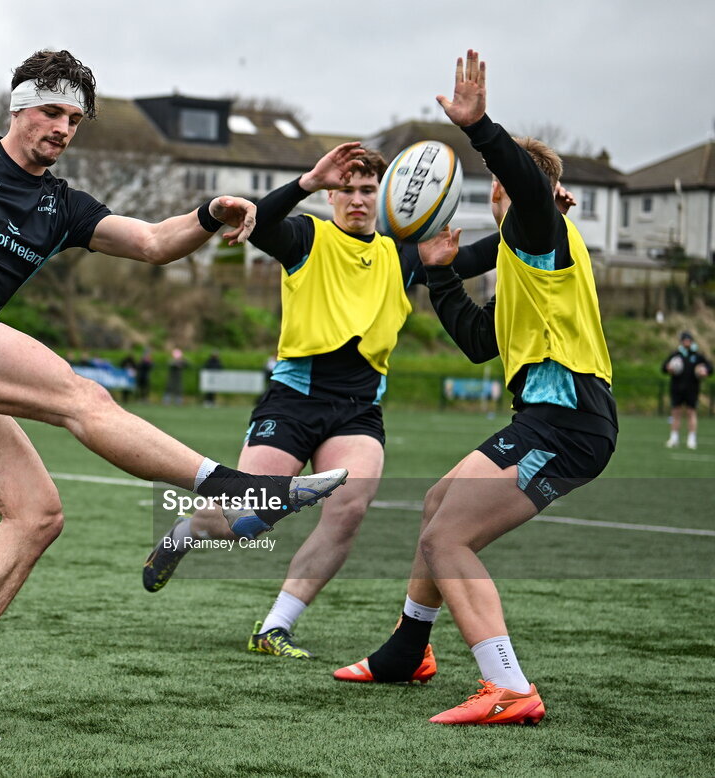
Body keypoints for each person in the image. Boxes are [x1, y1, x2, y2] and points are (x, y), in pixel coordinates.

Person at [0, 49, 346, 742]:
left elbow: (150, 242)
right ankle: (236, 487)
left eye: (74, 118)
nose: (62, 127)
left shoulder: (62, 205)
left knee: (38, 514)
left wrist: (210, 211)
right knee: (81, 396)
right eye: (50, 111)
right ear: (18, 107)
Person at [331, 50, 618, 726]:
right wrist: (439, 272)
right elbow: (477, 339)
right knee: (437, 507)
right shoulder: (526, 253)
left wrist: (482, 127)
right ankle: (408, 652)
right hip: (550, 415)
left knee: (448, 538)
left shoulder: (537, 225)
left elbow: (523, 181)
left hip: (568, 419)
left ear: (509, 187)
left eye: (500, 180)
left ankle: (509, 686)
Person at [142, 139, 505, 657]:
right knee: (247, 516)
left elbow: (471, 256)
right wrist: (308, 181)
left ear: (382, 199)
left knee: (349, 509)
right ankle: (185, 533)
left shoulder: (403, 256)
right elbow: (259, 223)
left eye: (368, 190)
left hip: (358, 409)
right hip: (293, 400)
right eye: (348, 189)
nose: (357, 199)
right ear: (333, 196)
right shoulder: (306, 236)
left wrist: (535, 213)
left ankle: (275, 627)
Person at [663, 331, 711, 449]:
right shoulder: (676, 355)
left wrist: (705, 371)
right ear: (681, 342)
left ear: (691, 341)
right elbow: (664, 367)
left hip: (692, 389)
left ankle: (692, 439)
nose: (687, 342)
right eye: (685, 340)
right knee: (676, 412)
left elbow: (709, 368)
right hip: (677, 389)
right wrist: (668, 368)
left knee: (691, 412)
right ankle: (674, 438)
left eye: (688, 340)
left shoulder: (698, 356)